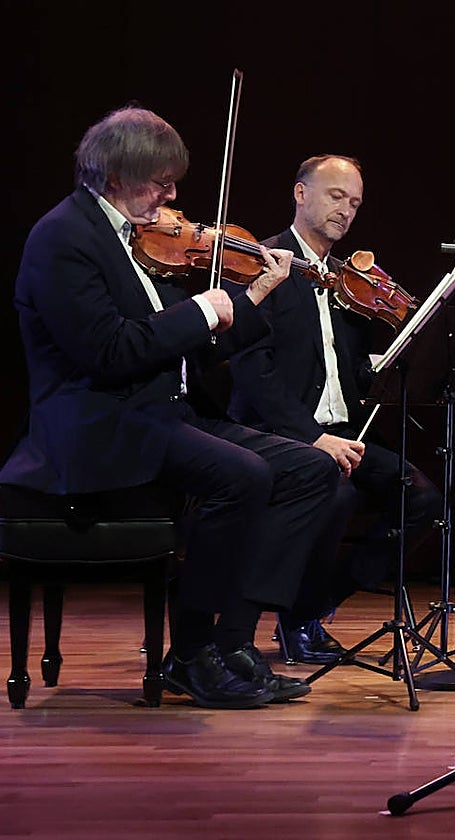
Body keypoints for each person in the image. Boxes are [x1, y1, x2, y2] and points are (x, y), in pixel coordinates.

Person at [0, 105, 342, 708]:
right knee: (243, 475)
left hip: (159, 412)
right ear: (115, 174)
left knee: (309, 469)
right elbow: (109, 352)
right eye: (160, 181)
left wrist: (251, 294)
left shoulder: (132, 237)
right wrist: (202, 310)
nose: (172, 194)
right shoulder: (64, 236)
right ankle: (188, 654)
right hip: (99, 423)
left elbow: (192, 345)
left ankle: (232, 642)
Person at [226, 155, 443, 665]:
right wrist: (310, 436)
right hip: (275, 432)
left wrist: (391, 358)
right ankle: (294, 616)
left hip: (341, 430)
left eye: (354, 202)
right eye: (335, 196)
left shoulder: (348, 282)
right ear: (300, 195)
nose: (345, 210)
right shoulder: (264, 262)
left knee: (423, 499)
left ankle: (317, 604)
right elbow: (251, 370)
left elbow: (346, 371)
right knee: (336, 494)